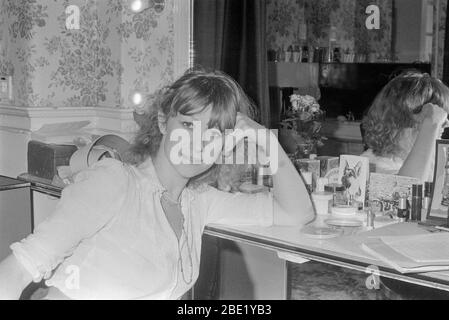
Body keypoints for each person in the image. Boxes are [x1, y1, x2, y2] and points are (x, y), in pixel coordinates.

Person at [0, 69, 314, 300]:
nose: (197, 142)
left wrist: (265, 141)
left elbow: (297, 212)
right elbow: (13, 273)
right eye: (188, 125)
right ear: (164, 122)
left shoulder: (199, 201)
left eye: (213, 133)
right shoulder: (114, 181)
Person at [361, 70, 449, 299]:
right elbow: (400, 199)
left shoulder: (433, 158)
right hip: (400, 273)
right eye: (440, 121)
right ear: (408, 123)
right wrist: (430, 128)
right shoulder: (370, 164)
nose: (444, 128)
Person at [361, 70, 449, 182]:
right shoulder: (371, 166)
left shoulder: (430, 159)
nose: (446, 124)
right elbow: (407, 189)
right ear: (403, 121)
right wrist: (431, 125)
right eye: (439, 116)